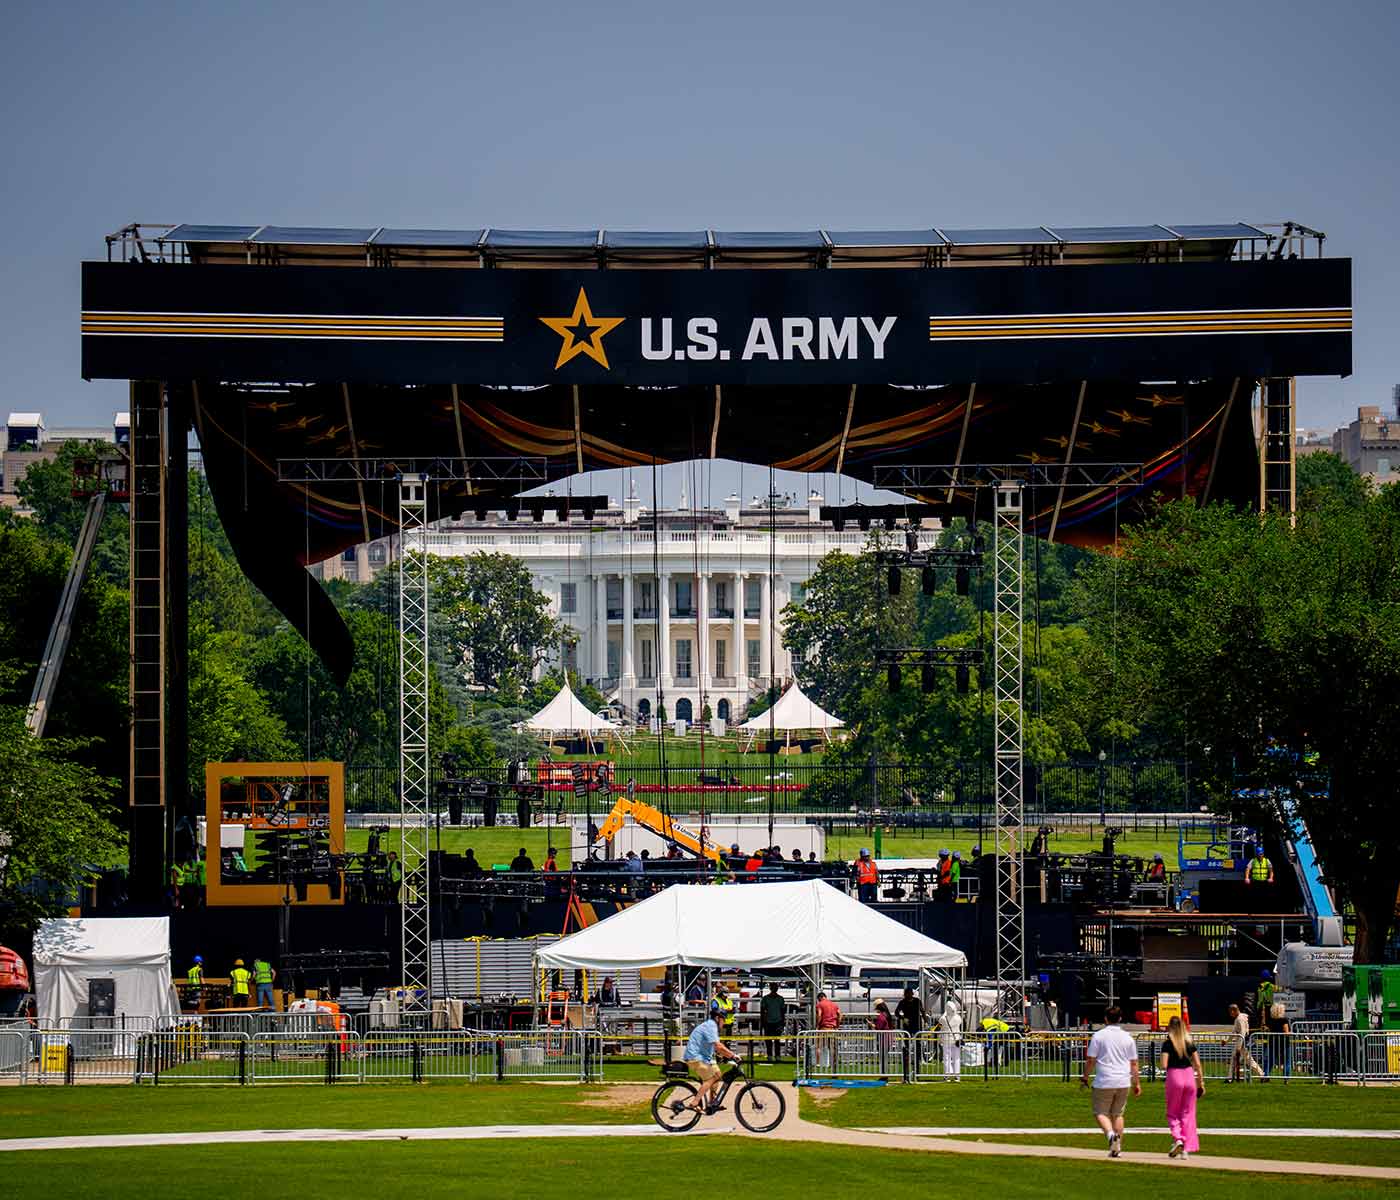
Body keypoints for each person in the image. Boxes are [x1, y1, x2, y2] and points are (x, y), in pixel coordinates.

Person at [1081, 1005, 1141, 1158]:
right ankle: (1117, 1145)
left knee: (1100, 1112)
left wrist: (1085, 1077)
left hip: (1104, 1079)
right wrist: (1137, 1083)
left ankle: (1110, 1136)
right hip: (1123, 1080)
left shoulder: (1099, 1036)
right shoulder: (1127, 1037)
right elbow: (1134, 1063)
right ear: (1120, 1019)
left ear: (1106, 1018)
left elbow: (1091, 1060)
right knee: (1118, 1114)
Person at [1159, 1014, 1204, 1158]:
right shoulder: (1189, 1042)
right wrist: (1201, 1083)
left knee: (1173, 1112)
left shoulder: (1168, 1043)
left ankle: (1178, 1138)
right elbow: (1197, 1064)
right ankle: (1186, 1149)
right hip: (1189, 1076)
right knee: (1188, 1113)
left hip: (1174, 1076)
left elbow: (1164, 1064)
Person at [683, 1000, 739, 1113]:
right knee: (711, 1078)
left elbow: (714, 1046)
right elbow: (718, 1046)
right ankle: (694, 1102)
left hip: (703, 1057)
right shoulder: (711, 1026)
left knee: (718, 1074)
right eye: (724, 1019)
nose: (724, 1023)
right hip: (695, 1058)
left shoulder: (711, 1026)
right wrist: (733, 1055)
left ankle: (712, 1103)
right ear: (718, 1018)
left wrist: (725, 1056)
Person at [1228, 1003, 1265, 1081]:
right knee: (1249, 1061)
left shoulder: (1239, 1019)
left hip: (1242, 1043)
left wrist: (1238, 1047)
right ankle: (1262, 1075)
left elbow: (1242, 1033)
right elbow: (1234, 1032)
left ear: (1233, 1011)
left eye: (1230, 1012)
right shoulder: (1240, 1018)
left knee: (1235, 1059)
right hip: (1243, 1043)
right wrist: (1227, 1041)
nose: (1230, 1014)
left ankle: (1230, 1078)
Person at [815, 991, 842, 1073]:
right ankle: (833, 1063)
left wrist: (817, 1025)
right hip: (833, 1028)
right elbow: (840, 1015)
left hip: (823, 1028)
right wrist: (837, 1025)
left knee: (818, 1046)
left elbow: (819, 1015)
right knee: (832, 1047)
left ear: (819, 998)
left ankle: (818, 1063)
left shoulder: (820, 1004)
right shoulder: (834, 1004)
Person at [759, 982, 787, 1062]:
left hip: (778, 1022)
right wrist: (763, 1023)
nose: (775, 988)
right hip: (768, 1022)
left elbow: (782, 1012)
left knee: (777, 1040)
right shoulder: (765, 998)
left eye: (776, 987)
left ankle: (778, 1056)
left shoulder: (780, 999)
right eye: (773, 987)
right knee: (768, 1040)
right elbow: (762, 1011)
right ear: (770, 988)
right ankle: (770, 1055)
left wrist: (782, 1023)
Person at [938, 995, 963, 1081]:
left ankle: (947, 1075)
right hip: (956, 1039)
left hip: (946, 1039)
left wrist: (945, 1012)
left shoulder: (943, 1019)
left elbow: (941, 1020)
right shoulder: (958, 1018)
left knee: (947, 1058)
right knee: (956, 1058)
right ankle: (957, 1075)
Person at [873, 1000, 894, 1079]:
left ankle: (884, 1075)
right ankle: (885, 1074)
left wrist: (872, 1025)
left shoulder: (881, 1016)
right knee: (884, 1057)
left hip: (883, 1039)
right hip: (888, 1038)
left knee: (883, 1058)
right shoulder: (887, 1015)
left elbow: (878, 1028)